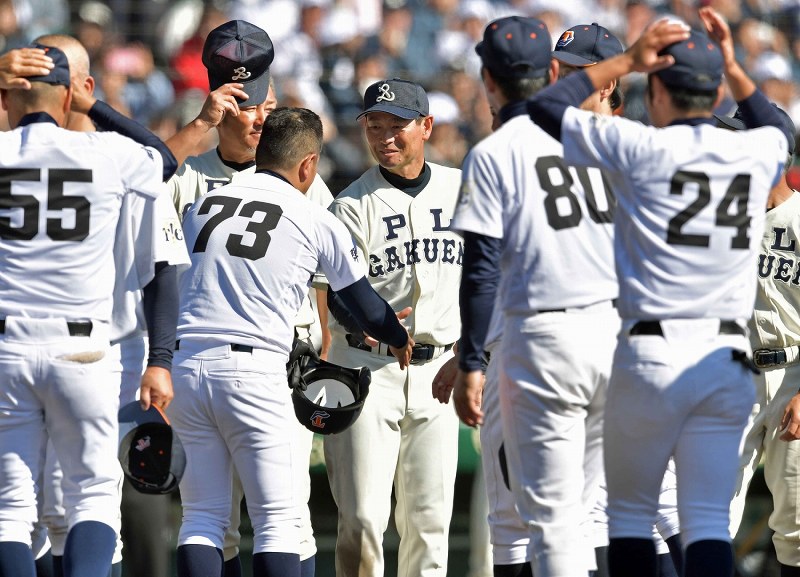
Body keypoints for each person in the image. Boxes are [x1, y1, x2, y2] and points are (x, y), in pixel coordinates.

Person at [525, 7, 788, 577]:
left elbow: (542, 109)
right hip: (725, 359)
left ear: (658, 93)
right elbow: (782, 131)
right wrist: (735, 67)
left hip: (651, 353)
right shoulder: (752, 151)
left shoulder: (639, 148)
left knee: (628, 517)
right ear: (715, 90)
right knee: (706, 525)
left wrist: (627, 60)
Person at [167, 106, 414, 577]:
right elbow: (364, 303)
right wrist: (397, 335)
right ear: (307, 166)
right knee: (278, 523)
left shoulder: (202, 205)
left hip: (188, 365)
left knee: (201, 519)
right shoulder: (309, 213)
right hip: (253, 371)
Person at [447, 15, 620, 577]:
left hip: (543, 342)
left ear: (488, 80)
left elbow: (481, 270)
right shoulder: (601, 137)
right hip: (612, 336)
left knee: (539, 521)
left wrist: (470, 361)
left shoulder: (497, 150)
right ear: (550, 71)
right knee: (588, 513)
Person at [165, 19, 331, 577]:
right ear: (216, 104)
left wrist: (325, 355)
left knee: (266, 520)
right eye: (243, 103)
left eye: (264, 102)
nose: (258, 116)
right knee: (227, 523)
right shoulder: (185, 174)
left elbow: (325, 283)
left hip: (284, 365)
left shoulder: (304, 175)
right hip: (209, 360)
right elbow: (131, 195)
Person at [0, 42, 165, 577]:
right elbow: (159, 157)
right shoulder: (107, 154)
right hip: (84, 349)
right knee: (92, 497)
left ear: (7, 98)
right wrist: (89, 103)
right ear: (69, 94)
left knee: (10, 511)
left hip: (8, 345)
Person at [323, 77, 463, 577]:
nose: (385, 137)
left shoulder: (460, 188)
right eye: (374, 126)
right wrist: (362, 323)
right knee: (361, 519)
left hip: (439, 369)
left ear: (426, 126)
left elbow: (488, 276)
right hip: (368, 368)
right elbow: (336, 292)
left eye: (397, 126)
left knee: (430, 522)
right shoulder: (351, 204)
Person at [718, 105, 800, 577]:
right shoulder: (722, 221)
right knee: (708, 517)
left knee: (795, 531)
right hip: (733, 377)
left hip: (793, 374)